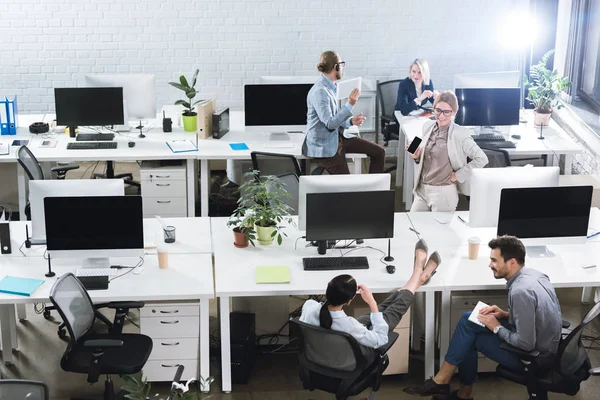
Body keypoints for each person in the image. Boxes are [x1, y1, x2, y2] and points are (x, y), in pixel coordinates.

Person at [404, 236, 563, 400]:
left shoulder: (520, 291)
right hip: (547, 346)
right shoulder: (536, 276)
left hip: (535, 359)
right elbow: (538, 316)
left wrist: (497, 327)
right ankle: (451, 386)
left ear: (512, 262)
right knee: (470, 319)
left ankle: (448, 385)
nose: (490, 265)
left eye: (494, 260)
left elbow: (526, 343)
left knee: (469, 337)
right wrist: (505, 314)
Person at [300, 239, 441, 349]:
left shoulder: (309, 306)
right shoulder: (349, 326)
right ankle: (418, 276)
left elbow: (341, 323)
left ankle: (417, 278)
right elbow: (381, 339)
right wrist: (372, 303)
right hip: (353, 355)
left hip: (328, 351)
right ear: (349, 301)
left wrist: (374, 308)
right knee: (388, 314)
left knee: (377, 313)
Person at [302, 50, 386, 175]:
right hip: (324, 145)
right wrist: (350, 104)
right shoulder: (320, 91)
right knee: (346, 184)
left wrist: (350, 121)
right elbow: (330, 123)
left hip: (338, 137)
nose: (342, 68)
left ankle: (374, 190)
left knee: (379, 152)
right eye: (342, 65)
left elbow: (334, 118)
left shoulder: (331, 87)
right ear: (336, 66)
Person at [408, 91, 488, 212]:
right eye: (438, 110)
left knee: (439, 230)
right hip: (422, 190)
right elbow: (423, 155)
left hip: (443, 193)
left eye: (447, 112)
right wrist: (416, 157)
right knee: (413, 227)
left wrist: (458, 175)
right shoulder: (427, 126)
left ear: (454, 112)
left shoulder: (460, 133)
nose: (441, 116)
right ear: (433, 108)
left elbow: (482, 158)